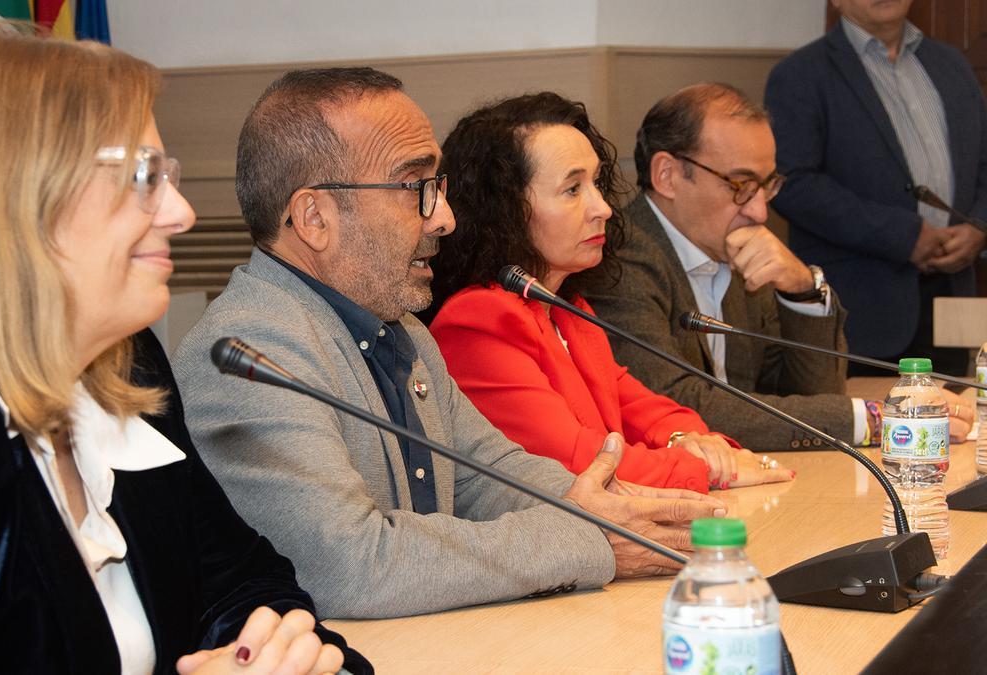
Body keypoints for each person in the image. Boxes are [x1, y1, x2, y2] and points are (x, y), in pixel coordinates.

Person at [0, 22, 367, 675]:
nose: (181, 212)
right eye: (146, 175)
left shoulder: (123, 364)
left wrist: (291, 656)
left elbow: (247, 584)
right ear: (10, 192)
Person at [172, 67, 728, 620]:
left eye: (437, 188)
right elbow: (350, 565)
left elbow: (488, 473)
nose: (445, 218)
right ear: (314, 217)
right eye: (416, 189)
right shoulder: (247, 352)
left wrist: (623, 514)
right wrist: (590, 540)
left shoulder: (401, 329)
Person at [427, 92, 794, 492]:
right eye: (572, 190)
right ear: (505, 209)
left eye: (597, 183)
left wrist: (692, 439)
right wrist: (707, 470)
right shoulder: (478, 321)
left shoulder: (567, 310)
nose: (602, 207)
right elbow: (578, 461)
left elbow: (640, 406)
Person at [580, 83, 970, 451]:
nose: (759, 210)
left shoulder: (736, 247)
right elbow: (675, 407)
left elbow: (814, 393)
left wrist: (801, 289)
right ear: (667, 175)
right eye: (740, 185)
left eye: (767, 185)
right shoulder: (618, 260)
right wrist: (871, 419)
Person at [765, 0, 987, 376]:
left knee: (954, 426)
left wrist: (979, 226)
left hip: (950, 295)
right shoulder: (800, 74)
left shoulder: (952, 65)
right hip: (860, 311)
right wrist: (901, 236)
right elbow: (792, 183)